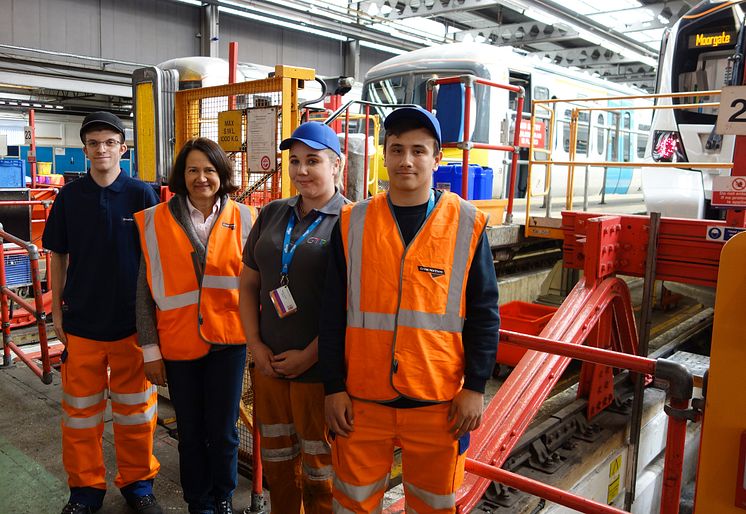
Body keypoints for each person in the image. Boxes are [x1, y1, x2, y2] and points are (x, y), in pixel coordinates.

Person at [319, 106, 500, 513]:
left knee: (434, 506)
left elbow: (485, 313)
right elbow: (332, 313)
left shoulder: (466, 224)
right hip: (361, 402)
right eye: (397, 149)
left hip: (438, 403)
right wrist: (332, 386)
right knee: (352, 504)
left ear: (437, 159)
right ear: (384, 154)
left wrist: (475, 386)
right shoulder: (352, 223)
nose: (406, 160)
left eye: (419, 151)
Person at [42, 111, 162, 514]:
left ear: (122, 148)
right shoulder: (69, 198)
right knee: (80, 417)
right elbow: (57, 255)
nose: (101, 149)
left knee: (137, 415)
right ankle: (85, 490)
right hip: (83, 325)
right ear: (85, 150)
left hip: (132, 325)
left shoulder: (142, 195)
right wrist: (57, 312)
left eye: (109, 142)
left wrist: (154, 322)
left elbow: (156, 261)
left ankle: (138, 484)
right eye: (93, 143)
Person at [134, 138, 256, 514]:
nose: (201, 178)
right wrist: (150, 351)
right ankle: (198, 502)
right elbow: (143, 292)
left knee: (223, 434)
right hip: (178, 344)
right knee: (190, 434)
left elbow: (258, 285)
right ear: (181, 175)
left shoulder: (249, 217)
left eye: (209, 169)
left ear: (222, 174)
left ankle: (222, 498)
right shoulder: (156, 220)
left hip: (229, 344)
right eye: (192, 170)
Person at [238, 122, 348, 514]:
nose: (301, 170)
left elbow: (354, 307)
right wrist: (255, 345)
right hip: (269, 366)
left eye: (313, 161)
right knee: (278, 463)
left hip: (319, 373)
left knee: (321, 470)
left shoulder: (352, 221)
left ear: (337, 165)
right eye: (295, 161)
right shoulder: (271, 214)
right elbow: (249, 283)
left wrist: (310, 355)